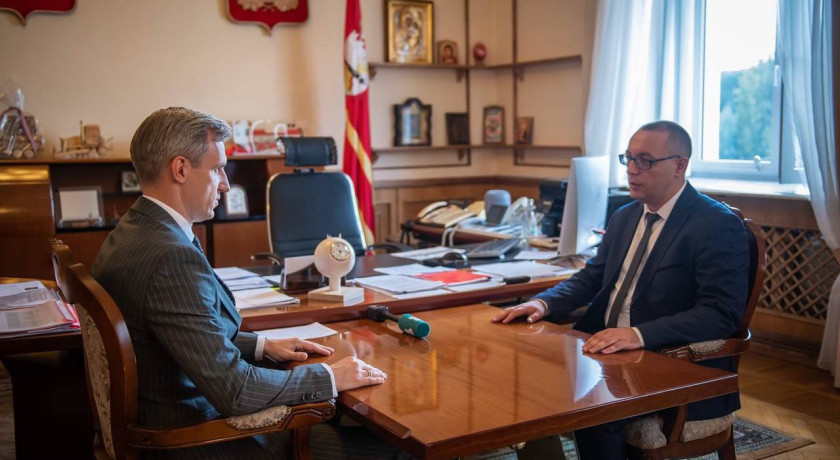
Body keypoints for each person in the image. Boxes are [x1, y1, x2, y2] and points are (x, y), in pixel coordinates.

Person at [91, 107, 395, 459]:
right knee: (386, 446)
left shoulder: (135, 229)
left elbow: (179, 336)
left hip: (172, 413)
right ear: (180, 169)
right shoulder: (170, 257)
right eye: (218, 168)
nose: (225, 183)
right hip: (199, 439)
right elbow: (234, 391)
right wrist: (330, 376)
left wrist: (263, 346)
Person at [492, 120, 749, 459]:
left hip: (669, 360)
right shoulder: (625, 216)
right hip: (606, 349)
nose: (631, 170)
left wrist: (638, 335)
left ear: (680, 165)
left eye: (644, 160)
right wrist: (543, 303)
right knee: (526, 379)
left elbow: (720, 315)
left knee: (594, 411)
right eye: (627, 158)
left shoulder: (715, 224)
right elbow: (592, 278)